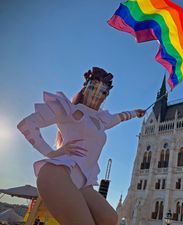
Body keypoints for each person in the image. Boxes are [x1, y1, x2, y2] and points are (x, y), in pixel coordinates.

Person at [17, 67, 145, 225]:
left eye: (104, 92)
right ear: (85, 88)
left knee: (109, 218)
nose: (98, 94)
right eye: (94, 87)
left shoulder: (102, 120)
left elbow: (121, 117)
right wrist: (51, 153)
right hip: (58, 175)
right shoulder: (68, 109)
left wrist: (136, 113)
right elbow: (27, 125)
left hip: (83, 183)